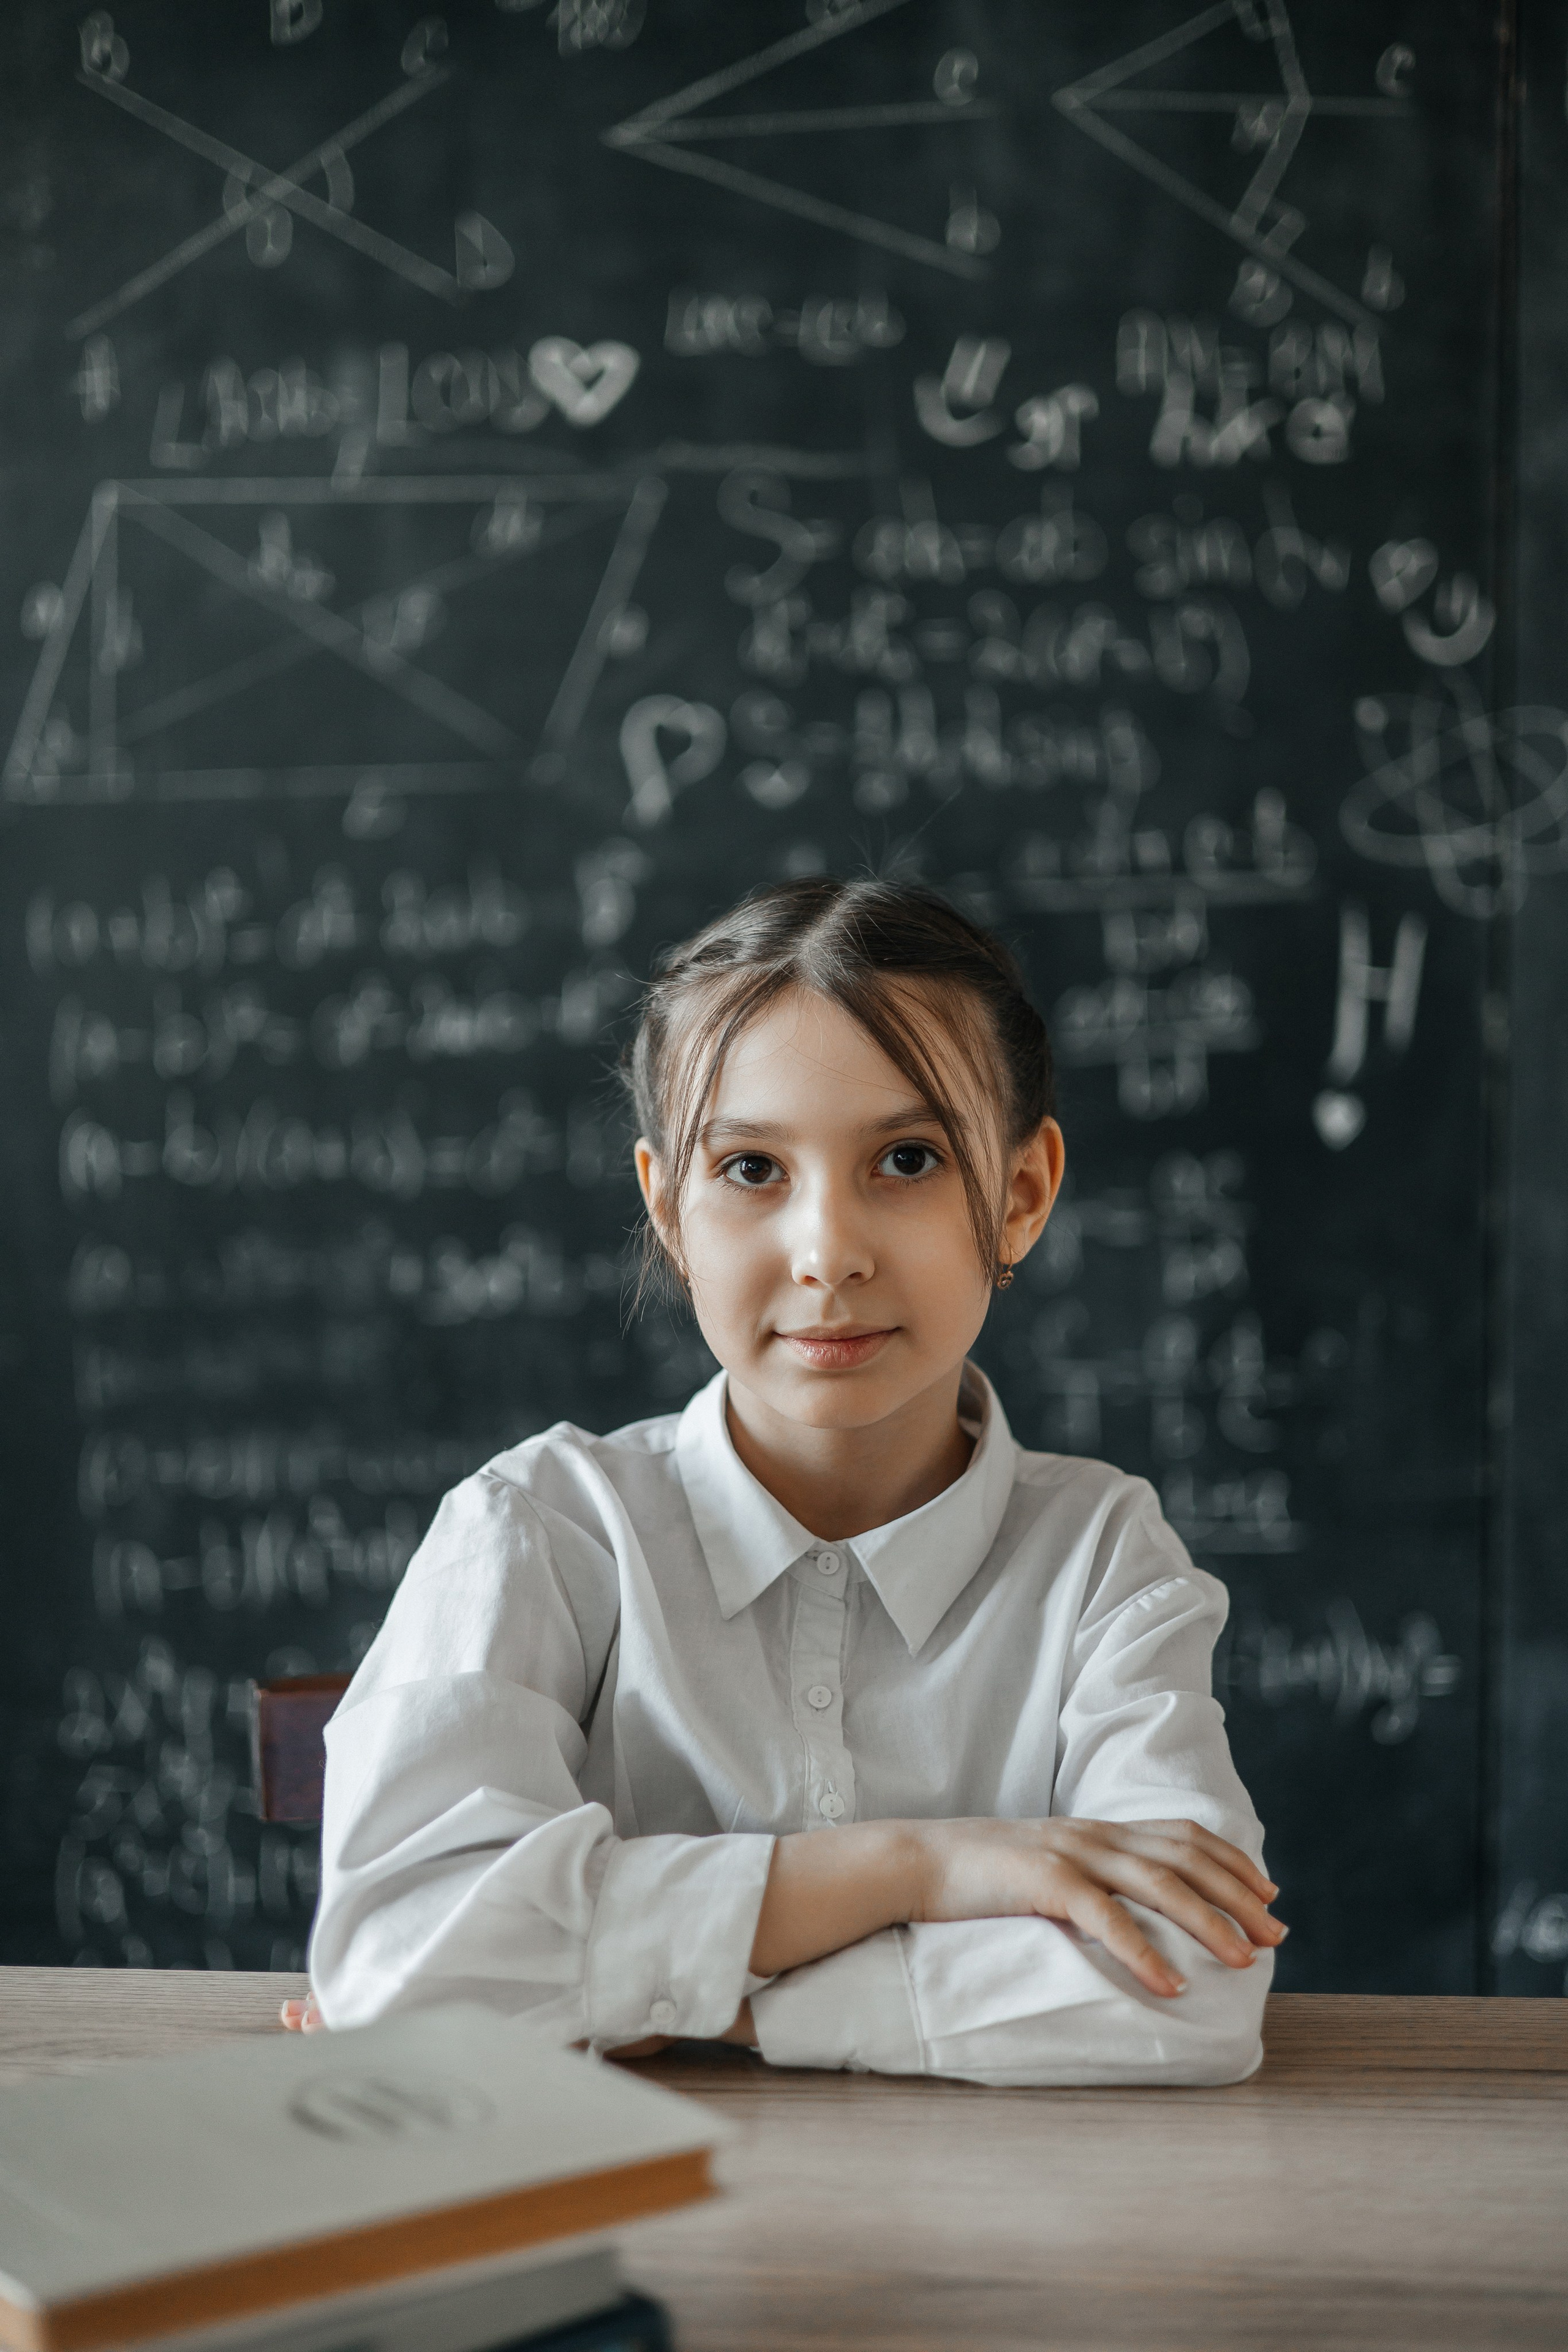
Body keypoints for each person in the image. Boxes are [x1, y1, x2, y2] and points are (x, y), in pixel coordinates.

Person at [284, 876, 1284, 2082]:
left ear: (1019, 1195)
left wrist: (709, 2005)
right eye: (751, 1170)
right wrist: (921, 1867)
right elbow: (398, 1965)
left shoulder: (1100, 1561)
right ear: (667, 1208)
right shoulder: (537, 1528)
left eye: (905, 1159)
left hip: (989, 2233)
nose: (827, 1255)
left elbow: (1191, 1981)